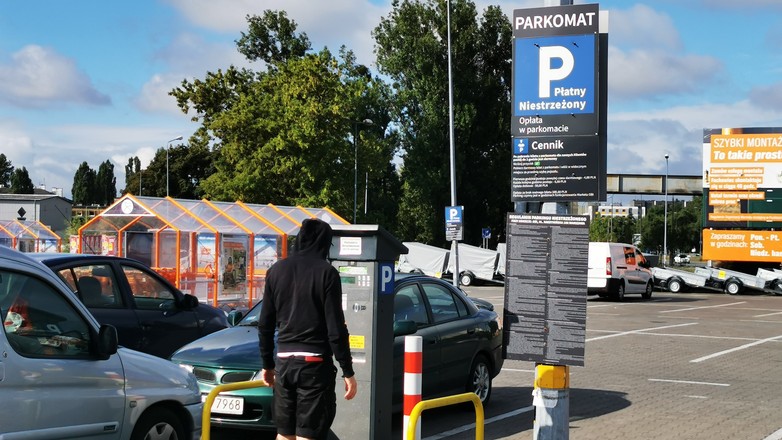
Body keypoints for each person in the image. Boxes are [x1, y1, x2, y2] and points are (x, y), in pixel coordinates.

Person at [258, 218, 357, 440]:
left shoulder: (275, 271)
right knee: (308, 434)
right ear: (324, 243)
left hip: (284, 364)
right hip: (314, 365)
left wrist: (267, 364)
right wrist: (347, 370)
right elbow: (335, 328)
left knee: (284, 434)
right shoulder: (327, 273)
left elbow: (265, 324)